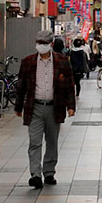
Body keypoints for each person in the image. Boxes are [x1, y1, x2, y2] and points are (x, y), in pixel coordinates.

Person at [15, 29, 75, 189]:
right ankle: (35, 174)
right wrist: (18, 106)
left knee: (52, 141)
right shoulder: (28, 62)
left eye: (44, 43)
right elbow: (21, 86)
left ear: (51, 44)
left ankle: (49, 172)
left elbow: (69, 85)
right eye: (39, 43)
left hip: (54, 107)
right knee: (34, 142)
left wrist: (71, 106)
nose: (41, 46)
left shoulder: (62, 61)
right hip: (34, 107)